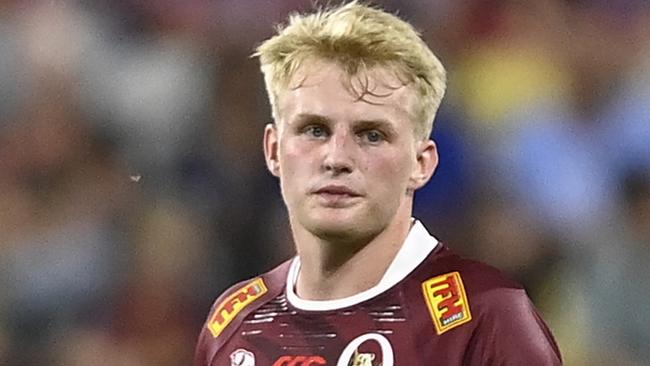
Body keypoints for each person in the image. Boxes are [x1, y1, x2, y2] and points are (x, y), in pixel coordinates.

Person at [195, 2, 562, 365]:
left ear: (421, 163)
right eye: (314, 130)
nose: (336, 158)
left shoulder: (483, 317)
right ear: (274, 151)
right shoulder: (234, 325)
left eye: (371, 135)